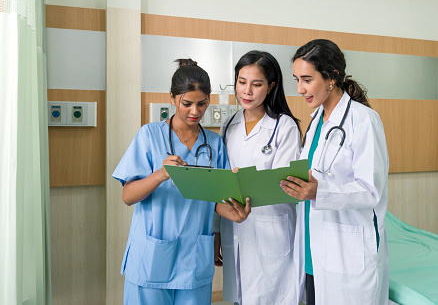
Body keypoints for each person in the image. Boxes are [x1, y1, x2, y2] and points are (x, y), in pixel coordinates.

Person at [112, 59, 251, 305]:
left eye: (202, 104)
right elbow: (128, 196)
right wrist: (160, 174)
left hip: (193, 259)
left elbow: (214, 199)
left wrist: (235, 214)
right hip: (151, 257)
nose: (195, 111)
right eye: (187, 104)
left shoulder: (215, 143)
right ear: (173, 98)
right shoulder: (149, 135)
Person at [281, 39, 390, 305]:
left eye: (307, 79)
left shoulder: (363, 120)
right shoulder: (317, 119)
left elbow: (371, 190)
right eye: (296, 79)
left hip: (346, 249)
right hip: (312, 248)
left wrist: (320, 191)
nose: (299, 89)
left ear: (332, 78)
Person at [213, 50, 303, 305]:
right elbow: (221, 185)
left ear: (271, 87)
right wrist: (216, 232)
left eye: (256, 84)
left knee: (274, 297)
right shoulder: (228, 125)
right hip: (235, 230)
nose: (247, 91)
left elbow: (283, 184)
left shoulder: (284, 127)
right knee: (242, 298)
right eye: (242, 82)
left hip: (271, 231)